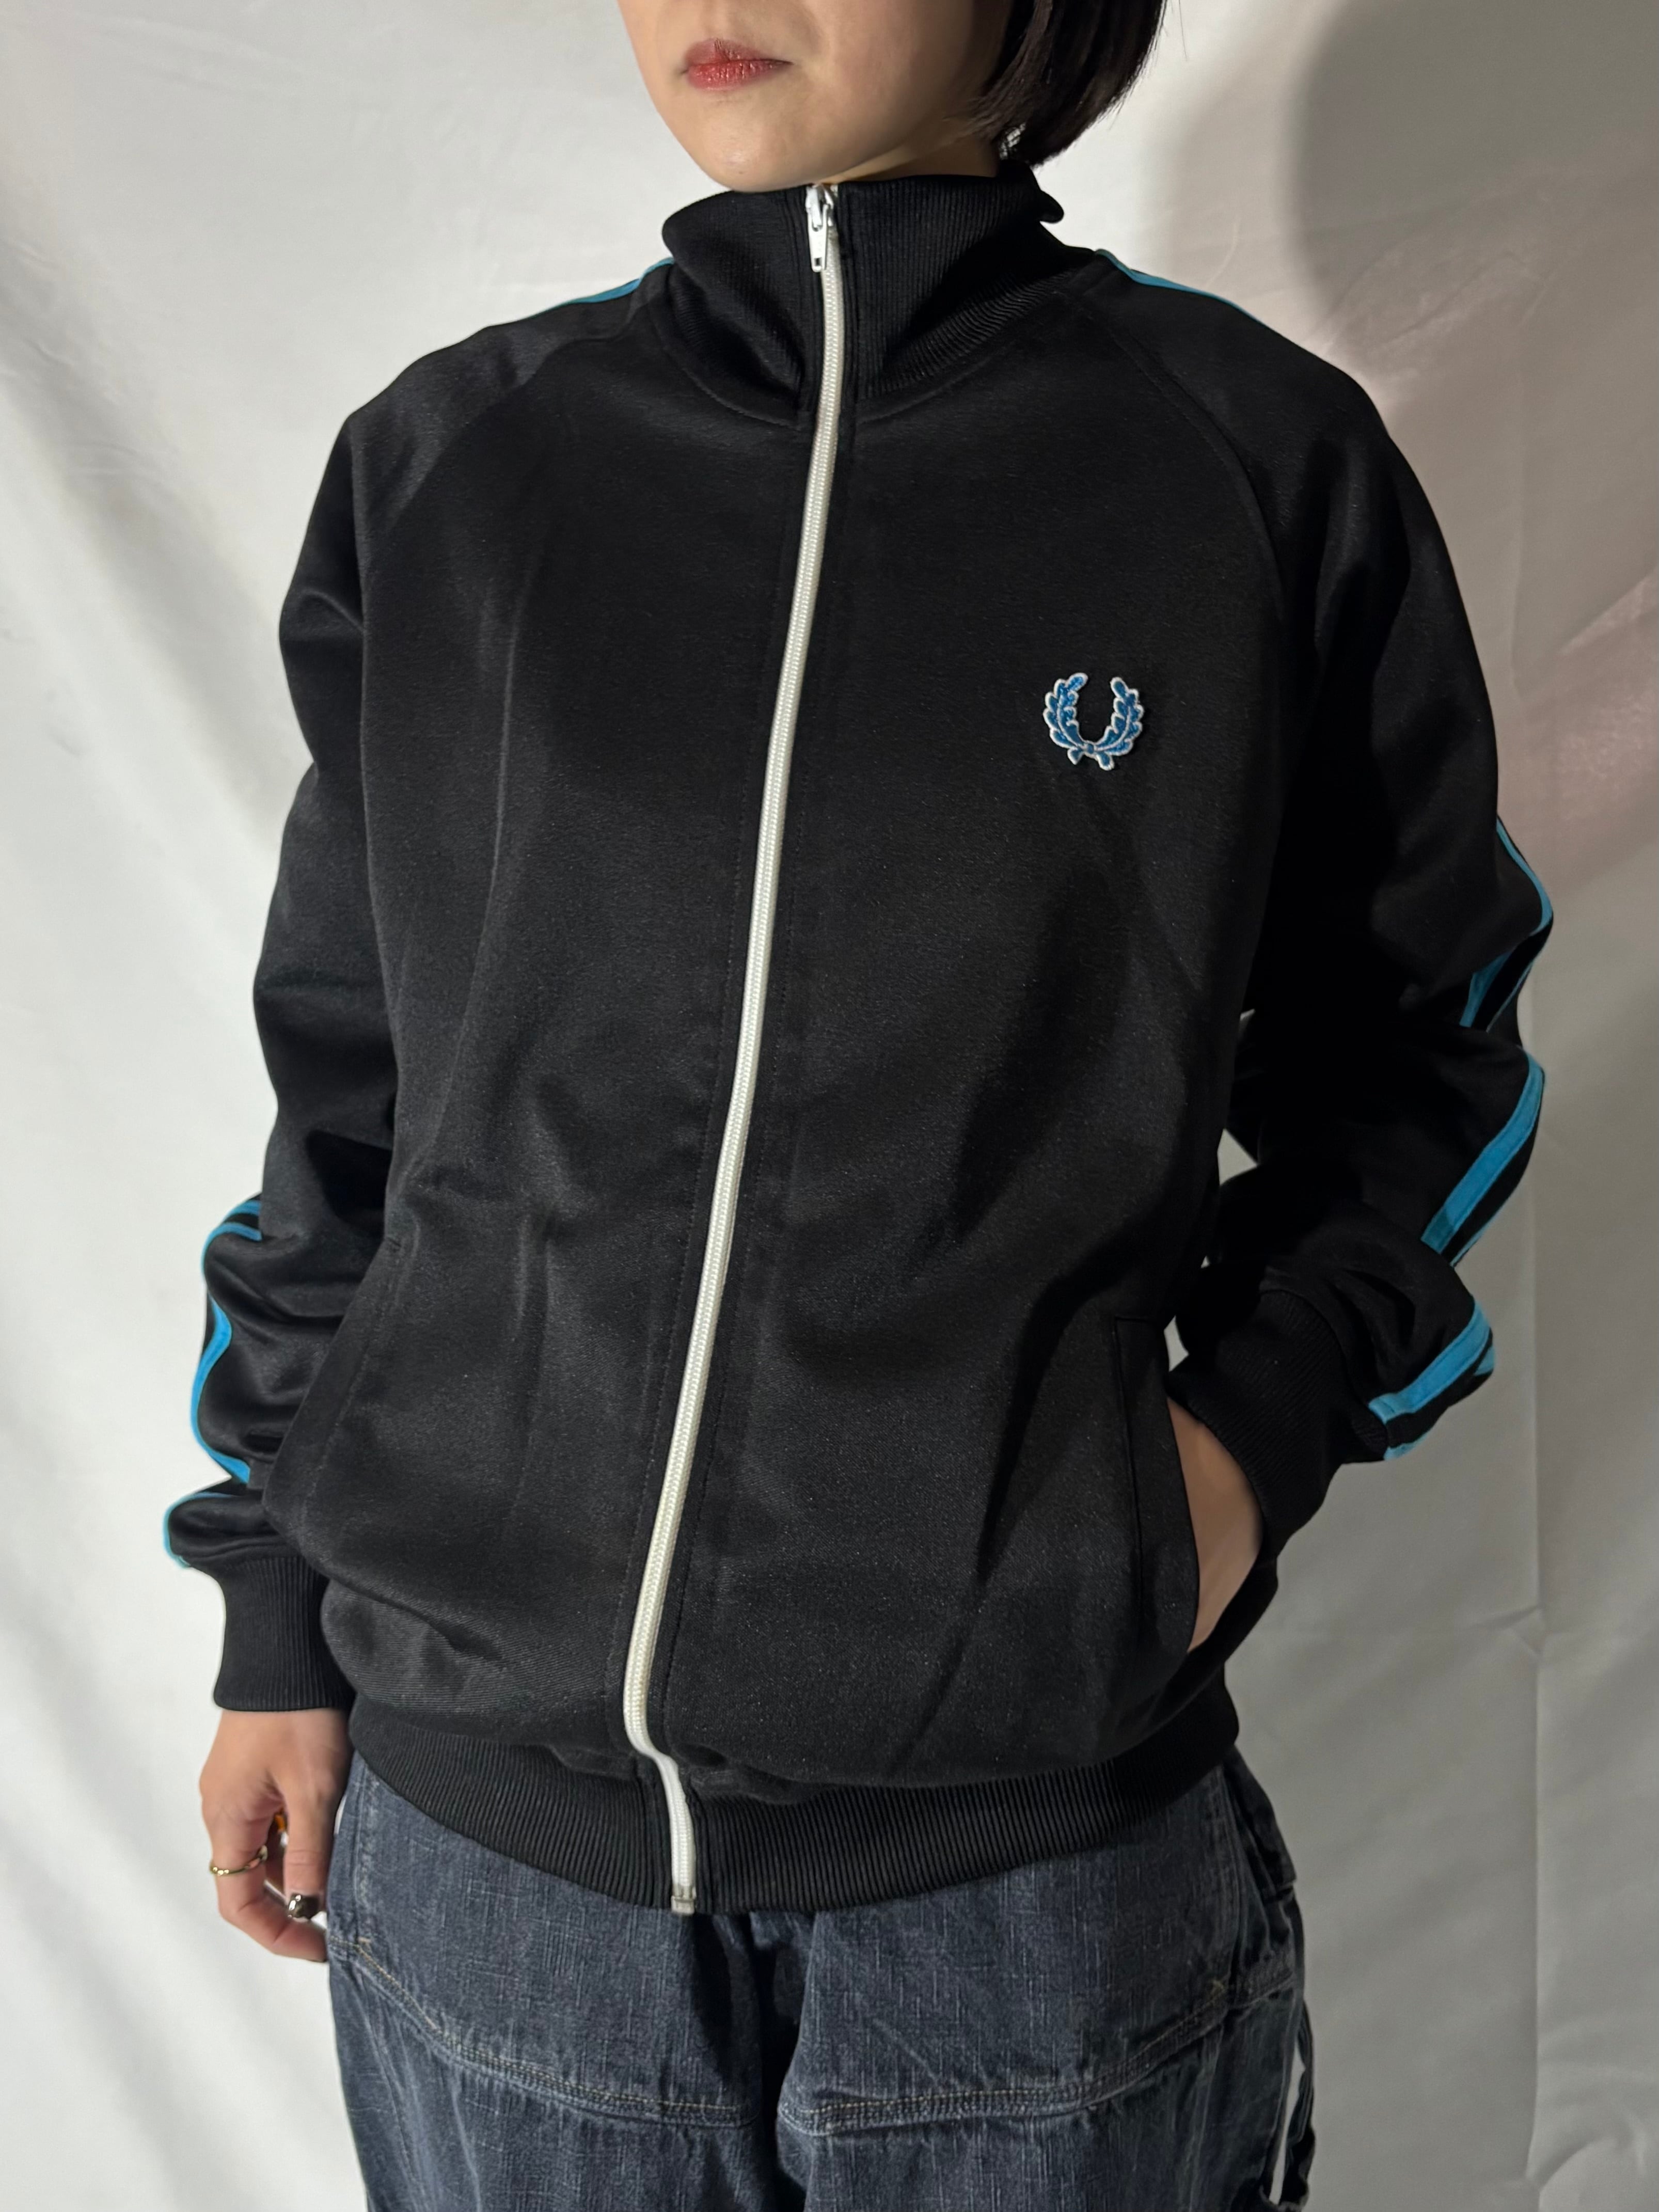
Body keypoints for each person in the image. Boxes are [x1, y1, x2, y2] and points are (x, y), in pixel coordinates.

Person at [166, 1, 1552, 2205]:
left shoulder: (1246, 465)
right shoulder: (458, 463)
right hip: (493, 1887)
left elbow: (1424, 1050)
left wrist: (1238, 1445)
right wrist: (272, 1614)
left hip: (1023, 1917)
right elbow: (352, 1102)